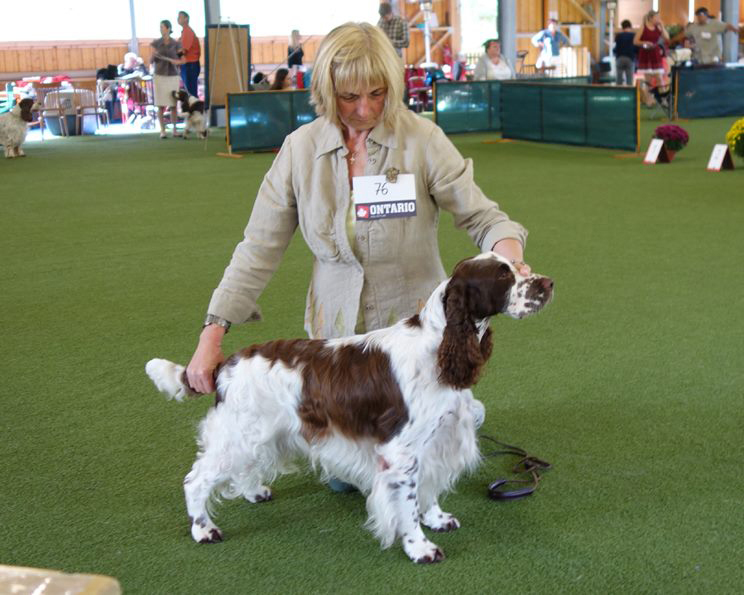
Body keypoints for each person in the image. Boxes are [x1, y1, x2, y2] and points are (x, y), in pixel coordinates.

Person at [185, 23, 531, 492]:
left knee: (421, 449)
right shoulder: (299, 150)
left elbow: (485, 218)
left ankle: (451, 407)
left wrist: (509, 259)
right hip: (339, 354)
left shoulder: (423, 140)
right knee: (349, 480)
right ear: (326, 91)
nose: (364, 109)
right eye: (348, 96)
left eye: (377, 93)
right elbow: (257, 249)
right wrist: (212, 333)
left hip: (414, 346)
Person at [150, 19, 183, 138]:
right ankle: (162, 130)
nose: (161, 29)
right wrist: (153, 56)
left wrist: (176, 61)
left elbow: (181, 59)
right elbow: (151, 61)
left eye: (162, 27)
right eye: (160, 27)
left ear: (168, 29)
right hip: (159, 75)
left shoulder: (176, 43)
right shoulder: (155, 43)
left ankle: (174, 130)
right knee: (160, 104)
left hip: (173, 75)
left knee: (173, 103)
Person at [634, 10, 670, 107]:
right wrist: (645, 42)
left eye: (659, 17)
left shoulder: (658, 27)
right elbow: (635, 41)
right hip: (645, 54)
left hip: (655, 54)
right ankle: (649, 100)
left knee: (659, 77)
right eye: (657, 17)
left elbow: (667, 37)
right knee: (648, 80)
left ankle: (663, 100)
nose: (658, 19)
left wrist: (662, 26)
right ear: (650, 18)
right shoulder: (643, 27)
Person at [177, 11, 201, 97]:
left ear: (186, 18)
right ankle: (192, 109)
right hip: (188, 65)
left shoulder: (188, 31)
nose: (178, 19)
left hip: (190, 65)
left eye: (180, 17)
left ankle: (194, 110)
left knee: (191, 93)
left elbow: (183, 50)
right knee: (189, 92)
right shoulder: (184, 32)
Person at [614, 20, 636, 85]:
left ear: (622, 27)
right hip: (630, 58)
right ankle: (629, 94)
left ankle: (618, 93)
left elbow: (616, 48)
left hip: (620, 58)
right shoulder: (633, 36)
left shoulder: (618, 36)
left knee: (619, 79)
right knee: (629, 79)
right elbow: (636, 48)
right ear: (630, 26)